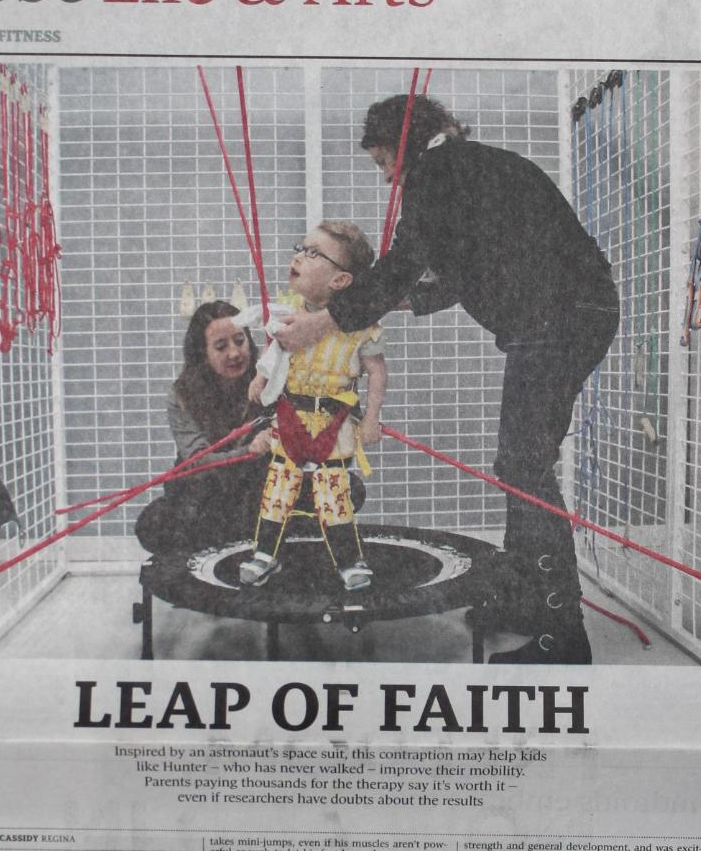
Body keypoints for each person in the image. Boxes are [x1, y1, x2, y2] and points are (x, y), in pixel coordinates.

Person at [276, 95, 619, 664]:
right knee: (522, 463)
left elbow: (402, 264)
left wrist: (318, 324)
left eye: (385, 162)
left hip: (557, 322)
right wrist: (388, 305)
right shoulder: (477, 167)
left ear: (406, 144)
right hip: (575, 314)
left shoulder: (436, 171)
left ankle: (563, 635)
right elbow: (459, 272)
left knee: (523, 465)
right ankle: (527, 601)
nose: (388, 179)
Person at [238, 221, 388, 591]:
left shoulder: (360, 325)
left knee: (332, 493)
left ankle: (350, 563)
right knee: (278, 488)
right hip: (289, 415)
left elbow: (377, 372)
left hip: (333, 423)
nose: (298, 256)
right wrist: (259, 378)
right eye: (300, 248)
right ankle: (264, 555)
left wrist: (371, 419)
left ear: (340, 281)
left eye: (312, 253)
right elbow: (273, 352)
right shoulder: (285, 309)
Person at [135, 300, 273, 555]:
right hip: (205, 495)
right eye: (221, 346)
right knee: (152, 523)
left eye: (239, 341)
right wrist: (252, 450)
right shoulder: (182, 394)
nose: (234, 353)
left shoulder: (269, 382)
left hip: (255, 492)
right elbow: (199, 463)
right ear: (202, 353)